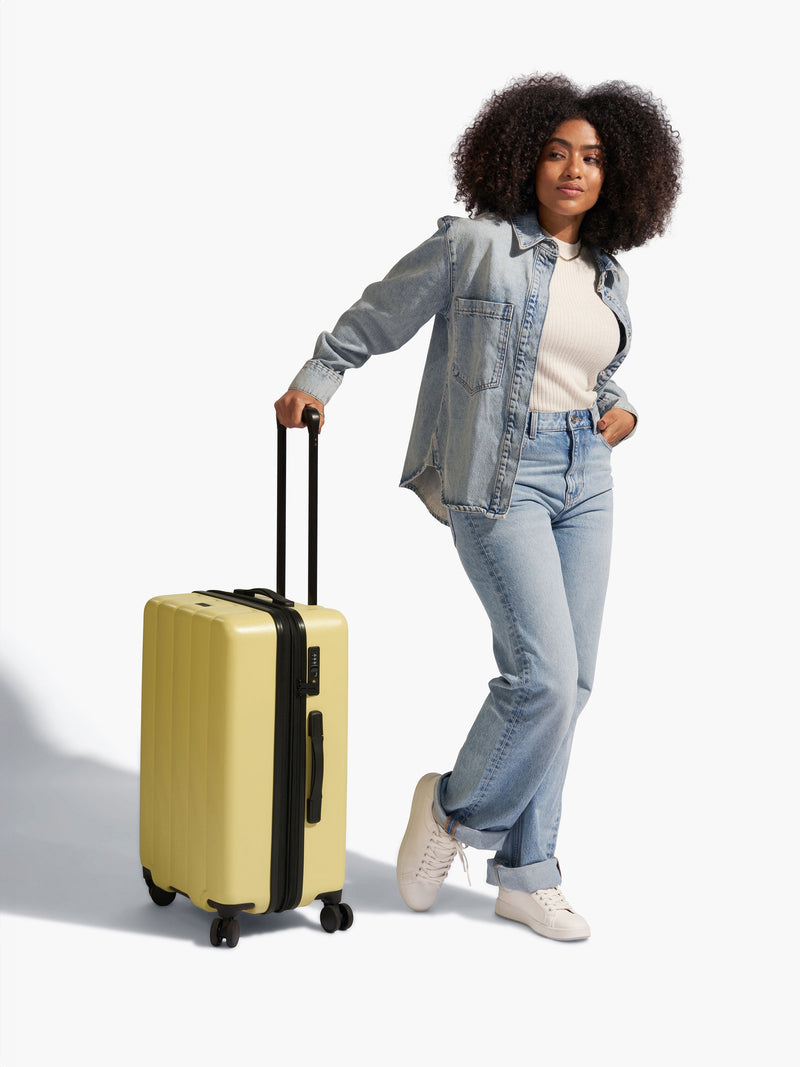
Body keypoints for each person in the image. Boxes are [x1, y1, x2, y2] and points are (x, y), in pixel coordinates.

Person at [275, 74, 681, 941]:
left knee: (570, 686)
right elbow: (380, 313)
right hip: (500, 476)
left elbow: (591, 368)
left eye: (595, 158)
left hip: (588, 474)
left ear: (620, 176)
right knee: (538, 678)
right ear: (523, 157)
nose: (575, 170)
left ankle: (529, 872)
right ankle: (453, 810)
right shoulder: (475, 245)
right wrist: (320, 377)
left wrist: (625, 407)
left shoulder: (607, 272)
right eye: (557, 151)